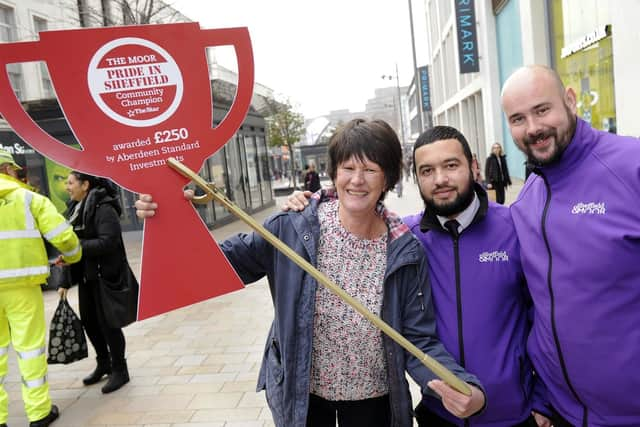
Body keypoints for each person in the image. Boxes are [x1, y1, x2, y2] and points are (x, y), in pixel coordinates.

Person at [136, 119, 486, 426]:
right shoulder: (293, 227)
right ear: (334, 172)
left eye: (370, 170)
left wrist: (458, 384)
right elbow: (214, 266)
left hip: (375, 402)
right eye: (348, 168)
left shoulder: (405, 249)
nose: (357, 180)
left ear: (388, 179)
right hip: (304, 401)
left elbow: (418, 337)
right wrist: (167, 217)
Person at [283, 127, 552, 427]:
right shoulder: (404, 240)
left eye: (451, 165)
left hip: (512, 415)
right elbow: (359, 209)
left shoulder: (515, 228)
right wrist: (310, 201)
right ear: (416, 177)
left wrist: (544, 400)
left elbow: (547, 319)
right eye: (427, 170)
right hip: (438, 414)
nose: (440, 179)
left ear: (474, 166)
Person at [501, 65, 640, 426]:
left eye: (542, 110)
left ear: (570, 101)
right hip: (564, 415)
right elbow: (541, 311)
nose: (532, 128)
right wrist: (544, 398)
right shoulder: (527, 201)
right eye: (518, 119)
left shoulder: (631, 167)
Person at [0, 148, 82, 427]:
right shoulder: (29, 199)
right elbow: (64, 237)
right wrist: (72, 258)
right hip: (22, 286)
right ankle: (38, 413)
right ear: (8, 169)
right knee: (29, 348)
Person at [57, 172, 131, 394]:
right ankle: (104, 363)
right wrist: (65, 281)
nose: (67, 186)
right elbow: (69, 245)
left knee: (108, 325)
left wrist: (77, 247)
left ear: (85, 184)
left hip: (104, 275)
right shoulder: (74, 209)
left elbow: (108, 242)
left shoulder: (103, 207)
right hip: (86, 276)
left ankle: (120, 369)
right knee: (90, 322)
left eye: (71, 182)